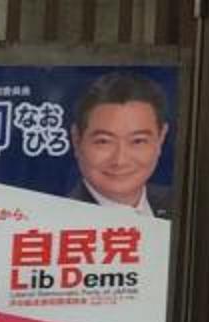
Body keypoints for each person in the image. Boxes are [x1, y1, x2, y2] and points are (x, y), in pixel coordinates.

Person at [66, 71, 172, 216]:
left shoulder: (181, 204)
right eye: (104, 141)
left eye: (138, 141)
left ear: (161, 138)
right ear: (77, 140)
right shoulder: (57, 219)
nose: (120, 161)